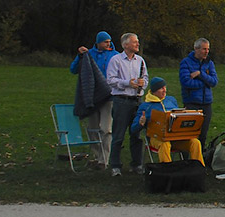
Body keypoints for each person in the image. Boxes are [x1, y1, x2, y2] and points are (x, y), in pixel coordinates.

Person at [69, 31, 118, 169]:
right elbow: (73, 69)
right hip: (91, 96)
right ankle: (96, 156)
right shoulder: (88, 54)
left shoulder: (115, 56)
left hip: (108, 96)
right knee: (92, 129)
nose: (108, 44)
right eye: (105, 42)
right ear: (98, 42)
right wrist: (80, 56)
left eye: (109, 41)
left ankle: (104, 160)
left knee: (106, 129)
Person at [131, 77, 203, 165]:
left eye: (165, 87)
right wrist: (140, 123)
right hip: (156, 138)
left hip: (176, 137)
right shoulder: (146, 106)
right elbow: (133, 128)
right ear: (154, 91)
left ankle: (199, 169)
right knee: (165, 144)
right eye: (161, 88)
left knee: (195, 142)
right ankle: (168, 171)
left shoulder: (171, 100)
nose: (164, 90)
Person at [106, 33, 149, 177]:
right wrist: (127, 83)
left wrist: (143, 84)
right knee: (118, 135)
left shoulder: (140, 61)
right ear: (125, 45)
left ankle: (136, 164)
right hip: (121, 101)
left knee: (136, 134)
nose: (137, 44)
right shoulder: (116, 60)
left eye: (137, 42)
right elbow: (110, 80)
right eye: (134, 42)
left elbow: (146, 78)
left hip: (137, 100)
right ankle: (115, 166)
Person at [179, 37, 218, 148]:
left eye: (208, 49)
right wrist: (205, 82)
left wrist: (200, 74)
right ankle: (188, 159)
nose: (206, 51)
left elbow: (214, 81)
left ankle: (200, 158)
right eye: (204, 49)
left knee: (203, 134)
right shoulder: (186, 62)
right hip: (192, 103)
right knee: (190, 134)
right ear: (196, 49)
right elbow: (186, 82)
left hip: (207, 104)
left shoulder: (209, 63)